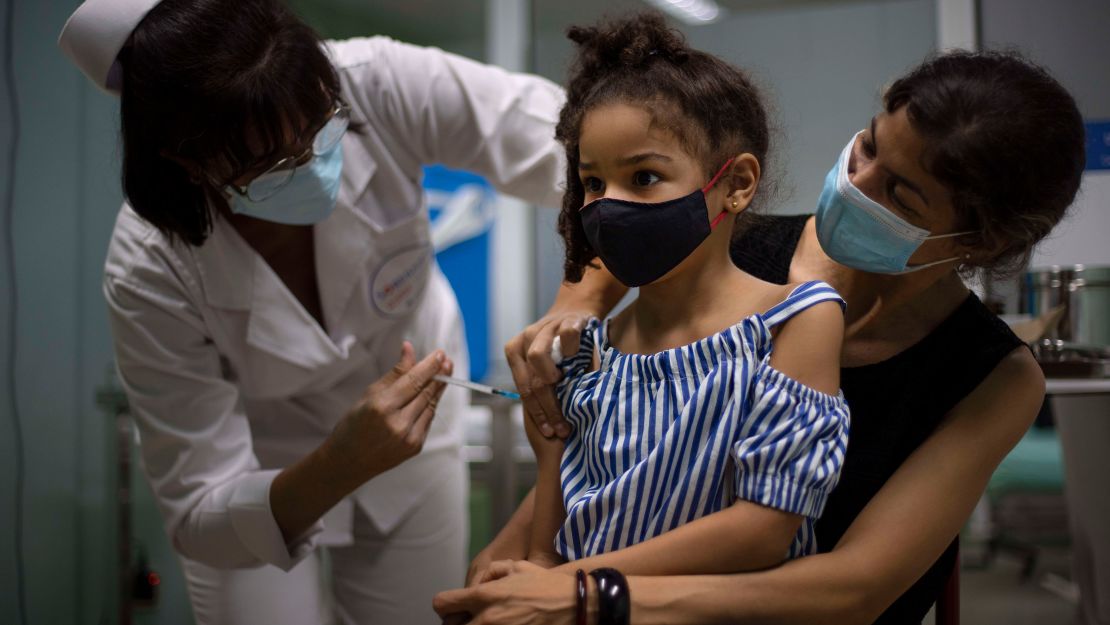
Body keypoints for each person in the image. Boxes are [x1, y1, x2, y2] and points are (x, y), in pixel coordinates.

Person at [436, 42, 1086, 625]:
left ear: (980, 241)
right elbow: (612, 450)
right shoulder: (722, 248)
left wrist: (586, 591)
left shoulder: (991, 376)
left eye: (900, 194)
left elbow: (852, 591)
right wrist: (515, 556)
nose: (855, 183)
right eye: (868, 143)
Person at [57, 0, 570, 623]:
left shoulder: (376, 81)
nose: (312, 162)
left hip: (418, 449)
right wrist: (337, 464)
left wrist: (578, 300)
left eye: (323, 128)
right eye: (273, 165)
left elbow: (583, 152)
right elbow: (200, 509)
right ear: (189, 165)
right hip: (260, 475)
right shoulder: (150, 266)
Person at [494, 14, 849, 587]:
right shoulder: (586, 351)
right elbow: (551, 548)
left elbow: (763, 530)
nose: (608, 205)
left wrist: (570, 587)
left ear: (735, 184)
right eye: (592, 183)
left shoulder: (795, 321)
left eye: (644, 177)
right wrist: (523, 578)